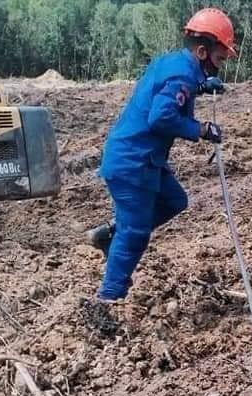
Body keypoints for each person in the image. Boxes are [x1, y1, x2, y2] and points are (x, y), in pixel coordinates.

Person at [85, 8, 236, 303]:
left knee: (175, 200)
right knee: (136, 233)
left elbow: (171, 88)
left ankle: (110, 235)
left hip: (144, 158)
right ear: (203, 51)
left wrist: (203, 86)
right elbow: (161, 117)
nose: (219, 67)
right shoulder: (183, 74)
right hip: (133, 162)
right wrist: (202, 129)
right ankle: (109, 299)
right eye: (218, 60)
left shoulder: (177, 64)